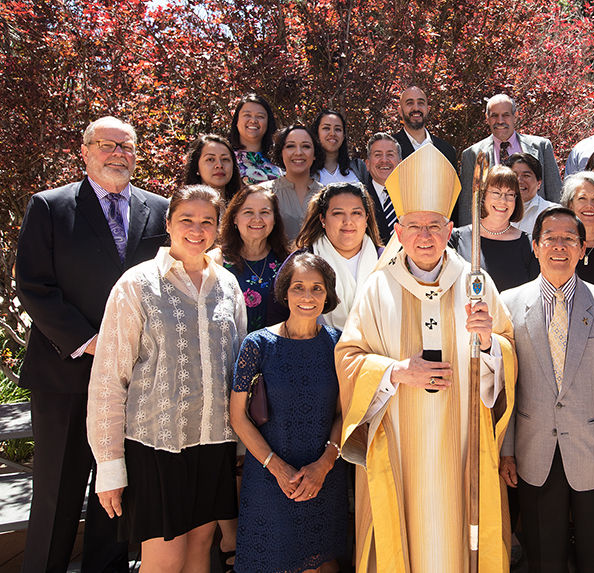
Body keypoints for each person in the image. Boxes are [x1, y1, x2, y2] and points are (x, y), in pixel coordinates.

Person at [335, 144, 517, 572]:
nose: (424, 236)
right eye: (414, 226)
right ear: (398, 231)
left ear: (450, 227)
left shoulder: (476, 282)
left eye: (434, 226)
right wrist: (396, 371)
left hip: (463, 440)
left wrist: (490, 342)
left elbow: (507, 350)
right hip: (398, 440)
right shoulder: (377, 288)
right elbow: (348, 358)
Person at [15, 116, 169, 572]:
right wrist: (89, 341)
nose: (117, 153)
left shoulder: (158, 209)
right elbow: (34, 285)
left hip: (133, 382)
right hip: (66, 376)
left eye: (127, 145)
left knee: (115, 496)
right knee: (56, 495)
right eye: (106, 144)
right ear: (85, 151)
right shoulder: (50, 206)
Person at [86, 185, 246, 570]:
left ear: (218, 227)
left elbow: (238, 373)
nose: (197, 229)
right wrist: (109, 467)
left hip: (213, 442)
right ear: (169, 224)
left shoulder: (228, 286)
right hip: (156, 445)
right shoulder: (136, 284)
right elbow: (109, 378)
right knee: (165, 559)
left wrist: (241, 449)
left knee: (199, 550)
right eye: (186, 220)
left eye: (207, 221)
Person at [499, 206, 594, 573]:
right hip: (533, 451)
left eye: (569, 239)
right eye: (550, 239)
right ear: (535, 247)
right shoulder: (508, 304)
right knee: (544, 558)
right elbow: (508, 384)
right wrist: (507, 450)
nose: (559, 246)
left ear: (583, 248)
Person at [230, 252, 347, 573]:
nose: (307, 297)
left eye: (316, 288)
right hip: (269, 476)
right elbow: (238, 417)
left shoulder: (340, 345)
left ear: (328, 294)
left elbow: (344, 414)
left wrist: (323, 466)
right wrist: (278, 469)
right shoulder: (257, 345)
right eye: (298, 287)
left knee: (321, 562)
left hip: (323, 475)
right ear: (284, 292)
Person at [459, 93, 563, 225]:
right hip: (492, 233)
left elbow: (555, 194)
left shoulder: (541, 147)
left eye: (506, 115)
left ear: (515, 116)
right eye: (494, 115)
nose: (500, 121)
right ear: (487, 118)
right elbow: (467, 207)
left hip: (535, 227)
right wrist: (469, 241)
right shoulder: (472, 155)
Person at [294, 183, 383, 329]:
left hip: (376, 349)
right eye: (338, 213)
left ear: (366, 218)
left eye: (356, 213)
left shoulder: (387, 261)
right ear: (322, 219)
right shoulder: (301, 262)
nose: (348, 221)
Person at [450, 164, 539, 292]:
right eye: (496, 193)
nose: (503, 201)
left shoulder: (530, 245)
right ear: (483, 196)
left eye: (510, 194)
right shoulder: (456, 239)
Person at [219, 185, 291, 331]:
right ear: (234, 218)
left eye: (265, 212)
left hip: (275, 349)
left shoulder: (287, 261)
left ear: (274, 219)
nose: (257, 219)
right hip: (232, 350)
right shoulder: (218, 261)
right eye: (248, 212)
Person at [256, 124, 325, 241]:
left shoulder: (327, 195)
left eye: (306, 146)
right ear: (281, 152)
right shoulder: (263, 193)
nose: (298, 152)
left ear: (314, 154)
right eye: (290, 146)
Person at [393, 85, 458, 167]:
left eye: (421, 103)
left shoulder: (447, 150)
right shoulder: (389, 148)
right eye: (410, 103)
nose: (416, 108)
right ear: (400, 111)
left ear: (428, 109)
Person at [229, 93, 283, 185]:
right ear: (236, 121)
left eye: (260, 116)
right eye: (247, 115)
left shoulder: (280, 159)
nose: (253, 120)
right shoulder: (226, 158)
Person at [507, 152, 559, 239]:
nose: (519, 180)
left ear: (539, 183)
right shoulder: (497, 211)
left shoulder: (553, 213)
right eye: (514, 175)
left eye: (526, 175)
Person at [362, 132, 402, 244]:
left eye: (390, 154)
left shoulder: (414, 196)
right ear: (367, 164)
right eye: (378, 155)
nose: (384, 160)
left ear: (400, 163)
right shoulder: (358, 199)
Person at [182, 133, 242, 203]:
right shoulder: (181, 207)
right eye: (210, 159)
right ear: (196, 166)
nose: (219, 165)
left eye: (225, 159)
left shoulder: (244, 207)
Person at [311, 109, 367, 185]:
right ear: (317, 133)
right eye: (326, 128)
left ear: (343, 136)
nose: (332, 133)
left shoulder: (358, 168)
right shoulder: (307, 171)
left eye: (338, 129)